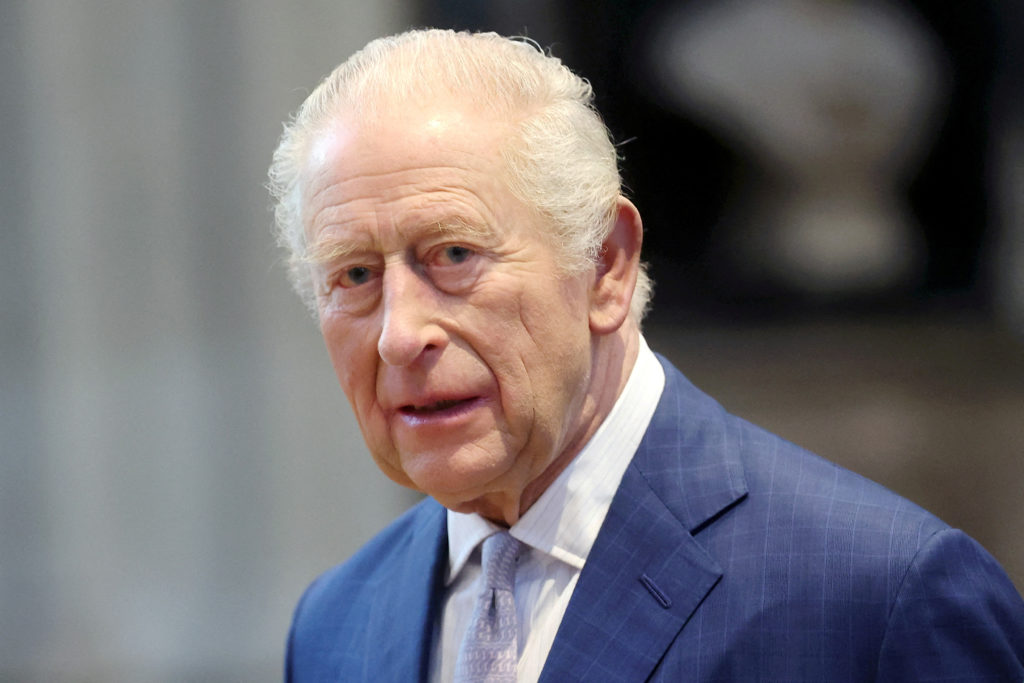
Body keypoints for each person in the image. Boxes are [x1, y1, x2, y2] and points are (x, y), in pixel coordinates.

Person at [268, 29, 1024, 681]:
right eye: (355, 275)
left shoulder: (878, 596)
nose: (401, 334)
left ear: (606, 265)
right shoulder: (338, 623)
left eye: (455, 253)